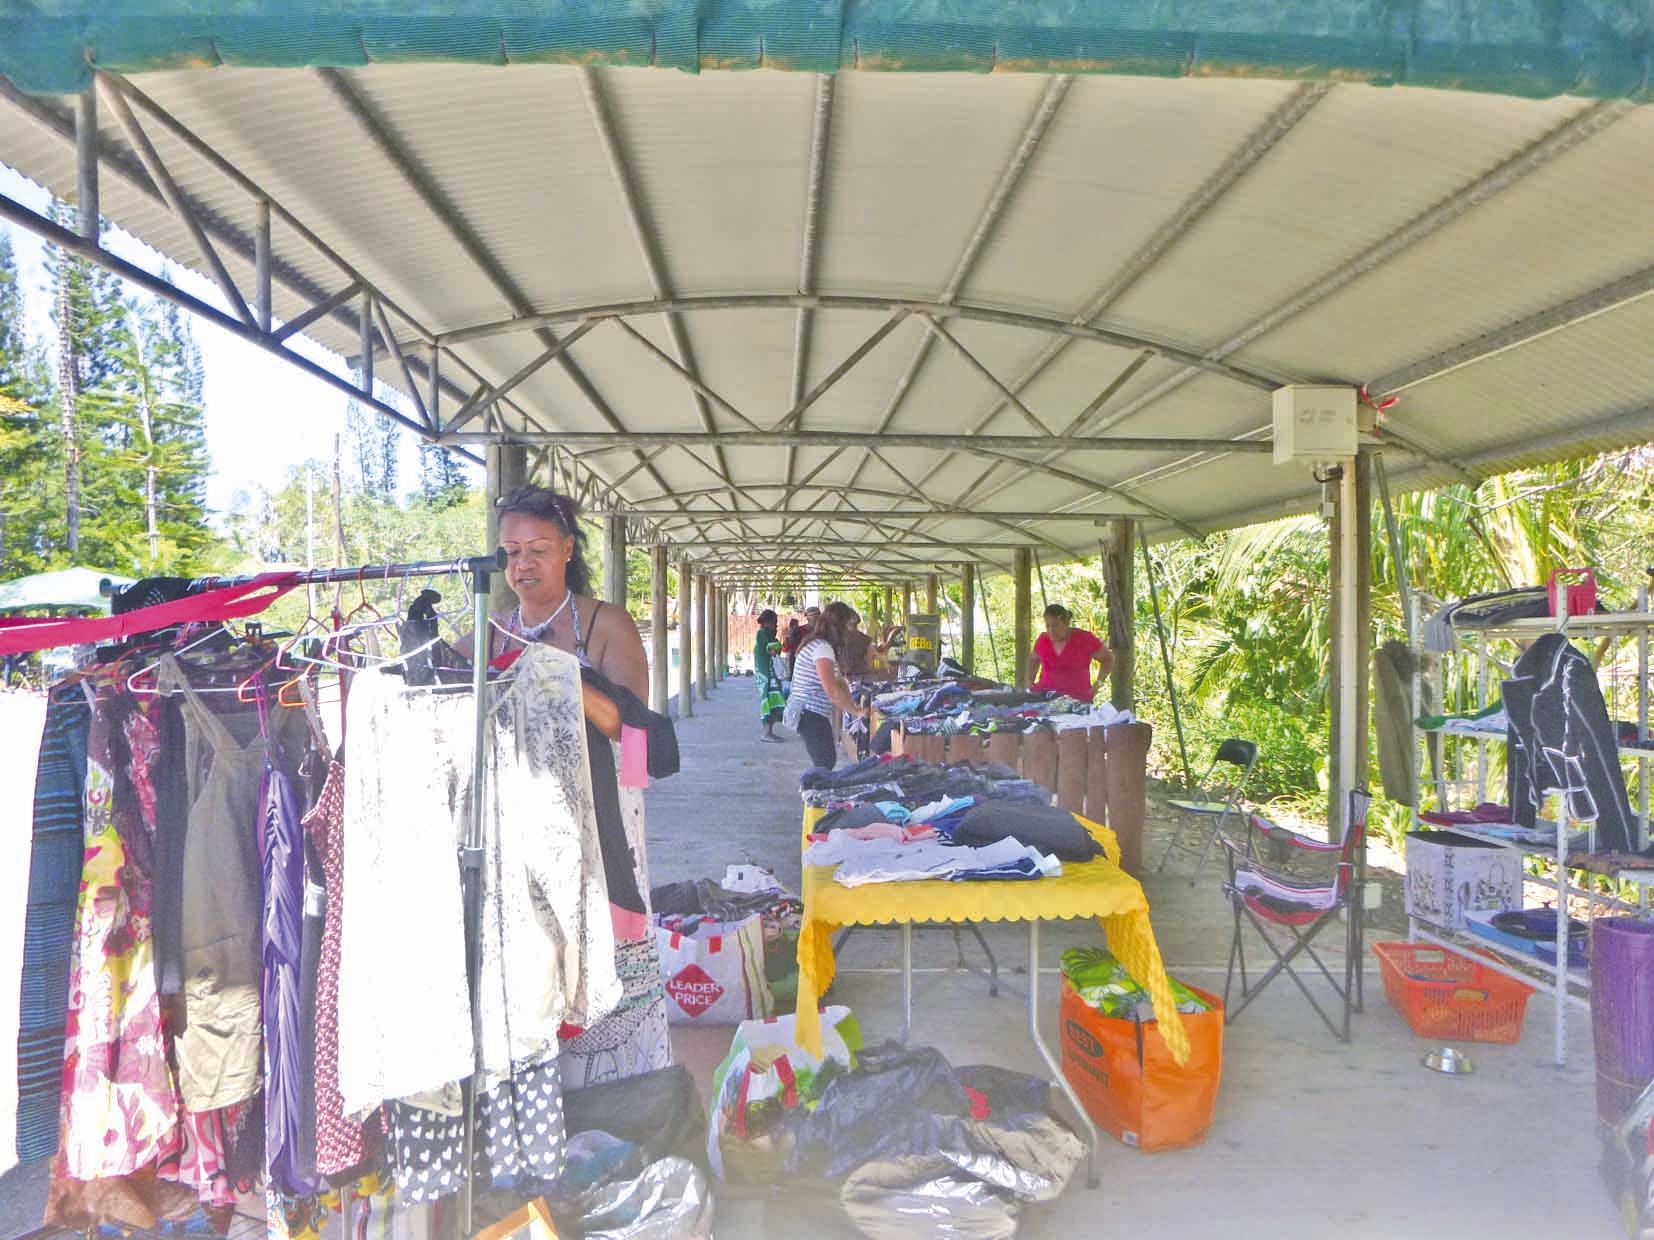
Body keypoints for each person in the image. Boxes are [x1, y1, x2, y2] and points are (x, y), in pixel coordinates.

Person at [472, 485, 673, 1087]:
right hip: (525, 823)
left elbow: (634, 738)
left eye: (537, 549)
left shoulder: (605, 624)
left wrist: (556, 675)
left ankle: (624, 1090)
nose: (522, 565)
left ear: (566, 549)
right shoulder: (493, 630)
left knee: (606, 947)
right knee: (538, 954)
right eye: (511, 553)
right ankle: (544, 1090)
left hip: (605, 816)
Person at [786, 600, 868, 771]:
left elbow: (839, 682)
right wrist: (856, 712)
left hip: (811, 712)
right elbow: (831, 689)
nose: (852, 632)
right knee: (825, 762)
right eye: (850, 626)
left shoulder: (823, 645)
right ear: (839, 626)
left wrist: (853, 706)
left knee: (825, 760)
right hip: (809, 712)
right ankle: (811, 787)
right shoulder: (822, 648)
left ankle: (813, 786)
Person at [1028, 603, 1114, 703]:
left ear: (1066, 623)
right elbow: (1033, 660)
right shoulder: (1043, 640)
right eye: (1048, 626)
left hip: (1077, 700)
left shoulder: (1084, 638)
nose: (1051, 630)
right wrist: (1030, 681)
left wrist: (1098, 684)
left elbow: (1108, 659)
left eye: (1055, 626)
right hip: (1045, 699)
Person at [754, 609, 786, 742]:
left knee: (773, 703)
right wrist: (778, 645)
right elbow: (774, 649)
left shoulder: (767, 634)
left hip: (769, 675)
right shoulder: (762, 634)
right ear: (767, 622)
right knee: (768, 702)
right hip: (767, 676)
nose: (776, 625)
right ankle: (766, 733)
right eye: (774, 622)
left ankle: (769, 732)